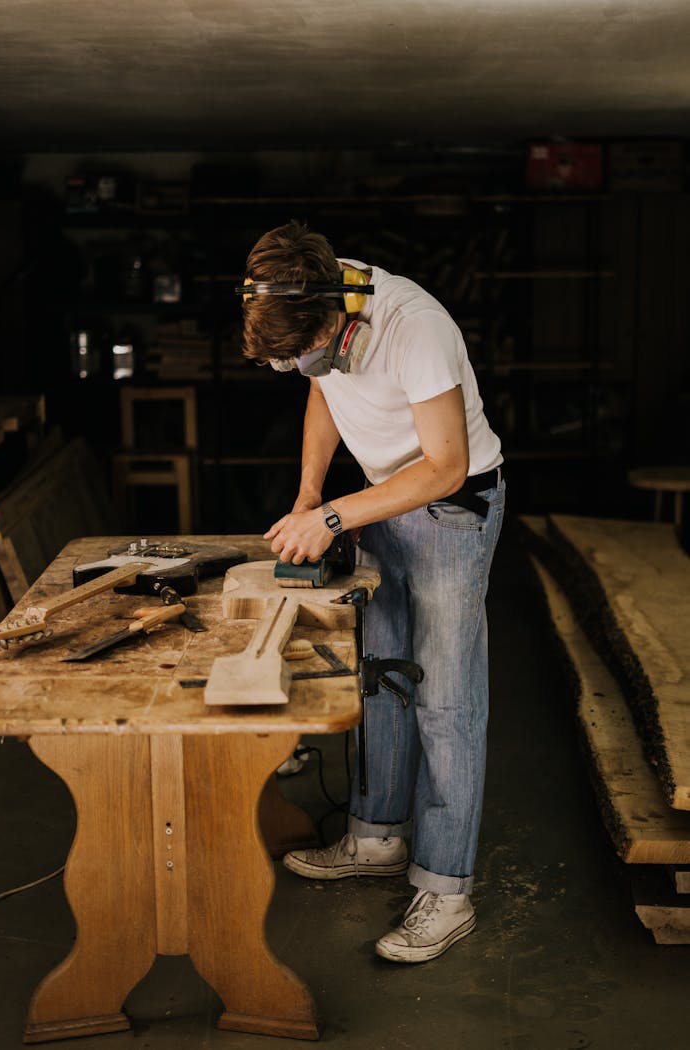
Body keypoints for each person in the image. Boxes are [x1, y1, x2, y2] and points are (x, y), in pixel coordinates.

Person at [238, 220, 505, 964]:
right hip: (382, 499)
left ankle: (447, 888)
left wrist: (333, 516)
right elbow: (324, 393)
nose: (303, 366)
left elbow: (447, 465)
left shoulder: (414, 327)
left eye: (305, 352)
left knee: (447, 696)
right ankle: (376, 836)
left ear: (341, 313)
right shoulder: (315, 294)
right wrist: (310, 492)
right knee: (383, 679)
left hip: (452, 508)